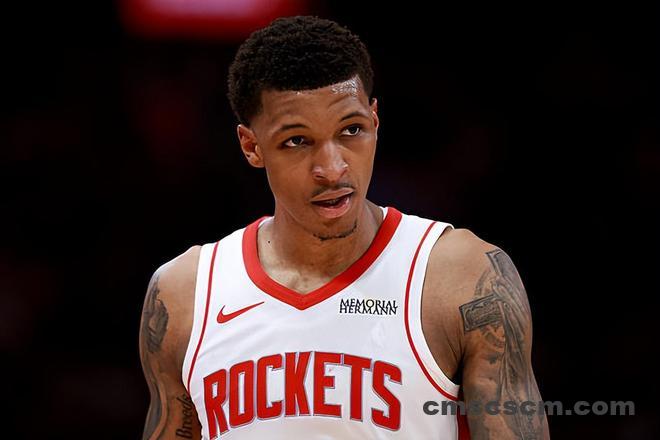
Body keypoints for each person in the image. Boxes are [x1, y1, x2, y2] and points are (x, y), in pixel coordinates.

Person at [139, 15, 549, 440]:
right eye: (297, 141)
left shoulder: (463, 277)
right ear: (251, 146)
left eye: (351, 130)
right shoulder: (184, 295)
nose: (332, 169)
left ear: (375, 120)